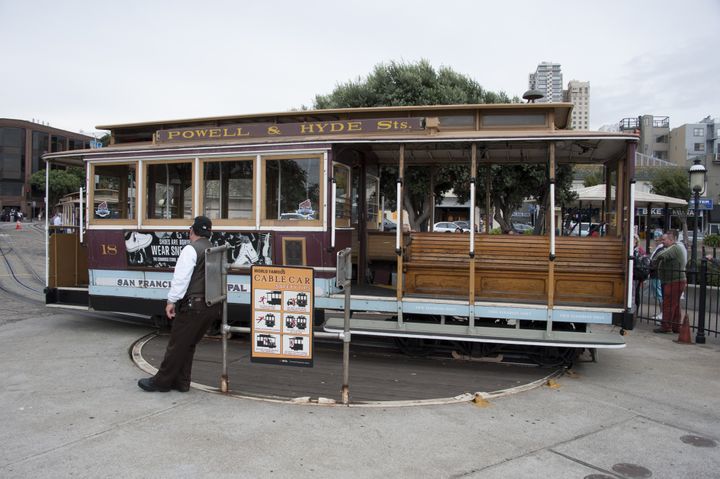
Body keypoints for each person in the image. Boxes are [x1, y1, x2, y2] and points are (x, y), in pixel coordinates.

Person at [138, 216, 220, 393]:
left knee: (176, 345)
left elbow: (181, 279)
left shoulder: (191, 250)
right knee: (188, 344)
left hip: (193, 306)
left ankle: (161, 382)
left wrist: (171, 301)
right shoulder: (214, 249)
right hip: (211, 306)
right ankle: (181, 382)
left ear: (192, 231)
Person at [650, 231, 686, 334]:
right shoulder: (673, 248)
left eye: (664, 240)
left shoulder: (674, 248)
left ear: (671, 240)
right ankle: (675, 326)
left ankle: (666, 326)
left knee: (668, 304)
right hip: (673, 280)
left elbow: (661, 255)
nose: (662, 242)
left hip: (674, 281)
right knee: (675, 304)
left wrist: (655, 260)